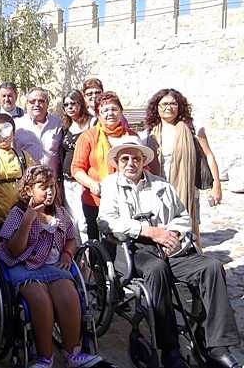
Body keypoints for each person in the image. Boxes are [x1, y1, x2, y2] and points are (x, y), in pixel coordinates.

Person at [98, 137, 240, 368]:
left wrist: (171, 233)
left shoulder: (161, 186)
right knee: (156, 269)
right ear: (117, 162)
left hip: (171, 246)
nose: (131, 162)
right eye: (125, 158)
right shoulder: (110, 185)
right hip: (135, 249)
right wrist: (149, 231)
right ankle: (170, 349)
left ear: (144, 161)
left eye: (136, 158)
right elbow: (107, 221)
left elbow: (183, 216)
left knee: (212, 267)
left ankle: (217, 346)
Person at [0, 165, 102, 368]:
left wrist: (67, 253)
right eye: (43, 186)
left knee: (69, 295)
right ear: (28, 190)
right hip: (24, 265)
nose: (50, 191)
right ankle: (46, 357)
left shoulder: (60, 213)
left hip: (52, 266)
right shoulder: (18, 213)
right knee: (40, 301)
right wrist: (28, 220)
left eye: (52, 186)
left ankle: (73, 353)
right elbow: (14, 250)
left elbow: (71, 238)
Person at [142, 89, 222, 248]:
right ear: (156, 108)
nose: (168, 107)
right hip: (160, 189)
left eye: (173, 103)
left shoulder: (193, 129)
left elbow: (209, 156)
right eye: (164, 104)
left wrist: (217, 186)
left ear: (180, 107)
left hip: (187, 188)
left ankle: (196, 260)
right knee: (165, 228)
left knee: (192, 228)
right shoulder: (149, 135)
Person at [71, 91, 137, 242]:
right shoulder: (87, 137)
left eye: (114, 109)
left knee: (125, 240)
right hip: (95, 199)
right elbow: (76, 168)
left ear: (121, 112)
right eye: (105, 110)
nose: (110, 113)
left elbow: (143, 167)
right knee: (98, 243)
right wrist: (92, 184)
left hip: (127, 200)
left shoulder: (131, 136)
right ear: (98, 114)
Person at [60, 90, 93, 242]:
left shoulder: (91, 124)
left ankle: (89, 255)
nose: (70, 107)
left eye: (73, 103)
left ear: (81, 104)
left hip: (83, 180)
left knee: (83, 220)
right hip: (67, 181)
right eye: (66, 105)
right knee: (72, 219)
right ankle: (77, 254)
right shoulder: (66, 126)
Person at [14, 87, 63, 169]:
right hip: (27, 179)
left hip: (52, 179)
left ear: (47, 103)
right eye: (32, 101)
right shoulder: (17, 125)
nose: (36, 104)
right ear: (27, 104)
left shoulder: (58, 123)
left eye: (41, 101)